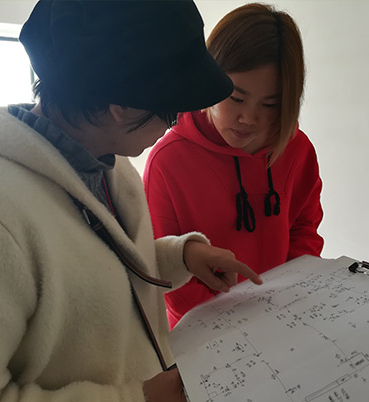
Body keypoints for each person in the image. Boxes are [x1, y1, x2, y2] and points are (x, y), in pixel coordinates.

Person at [0, 1, 263, 401]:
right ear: (121, 107)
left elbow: (85, 279)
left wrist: (181, 257)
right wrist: (139, 398)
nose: (172, 125)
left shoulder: (106, 164)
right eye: (171, 112)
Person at [144, 3, 324, 329]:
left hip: (280, 319)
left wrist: (288, 301)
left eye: (270, 104)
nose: (249, 118)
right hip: (200, 331)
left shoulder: (297, 149)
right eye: (236, 98)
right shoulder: (168, 160)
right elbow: (166, 270)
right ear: (207, 81)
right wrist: (235, 328)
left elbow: (304, 232)